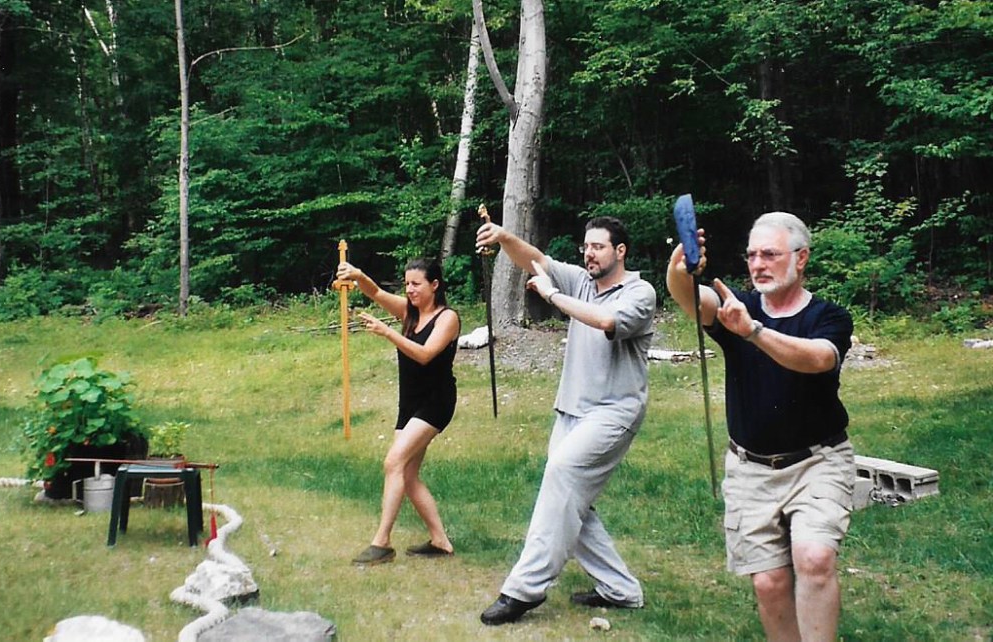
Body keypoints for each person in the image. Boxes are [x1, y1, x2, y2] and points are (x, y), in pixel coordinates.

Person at [666, 212, 855, 642]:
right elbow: (690, 298)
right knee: (768, 582)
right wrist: (679, 268)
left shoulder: (829, 316)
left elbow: (817, 359)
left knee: (814, 558)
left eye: (770, 254)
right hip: (750, 468)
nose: (758, 264)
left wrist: (753, 332)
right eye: (752, 255)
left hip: (817, 462)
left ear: (801, 258)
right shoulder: (739, 306)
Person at [475, 216, 656, 625]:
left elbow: (606, 321)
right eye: (586, 247)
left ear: (620, 251)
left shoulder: (640, 293)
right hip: (571, 407)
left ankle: (524, 589)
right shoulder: (581, 281)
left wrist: (553, 296)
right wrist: (504, 237)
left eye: (598, 247)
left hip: (613, 412)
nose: (589, 254)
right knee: (573, 503)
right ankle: (621, 590)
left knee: (560, 478)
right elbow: (535, 260)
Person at [335, 258, 460, 565]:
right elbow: (376, 292)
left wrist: (388, 332)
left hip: (436, 402)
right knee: (407, 473)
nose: (410, 290)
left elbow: (425, 355)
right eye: (406, 284)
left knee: (394, 462)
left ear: (434, 285)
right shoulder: (408, 312)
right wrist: (358, 274)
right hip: (410, 402)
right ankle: (440, 541)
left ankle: (382, 542)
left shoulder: (447, 318)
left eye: (416, 284)